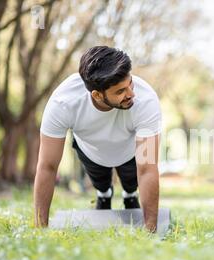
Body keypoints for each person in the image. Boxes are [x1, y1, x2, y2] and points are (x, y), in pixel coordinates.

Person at [34, 46, 161, 232]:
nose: (131, 94)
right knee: (100, 182)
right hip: (91, 151)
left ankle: (129, 195)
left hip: (130, 151)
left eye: (130, 83)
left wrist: (151, 231)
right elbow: (47, 166)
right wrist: (40, 228)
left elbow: (148, 169)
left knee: (131, 181)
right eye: (120, 91)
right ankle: (104, 194)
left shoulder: (146, 100)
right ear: (97, 95)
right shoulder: (63, 103)